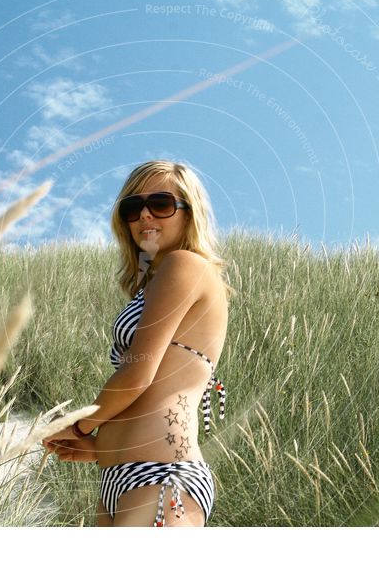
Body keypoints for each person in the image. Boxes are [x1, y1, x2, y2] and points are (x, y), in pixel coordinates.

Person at [42, 160, 235, 527]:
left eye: (161, 203)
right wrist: (100, 448)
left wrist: (78, 424)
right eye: (133, 207)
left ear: (188, 212)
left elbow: (138, 375)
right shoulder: (155, 282)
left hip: (162, 474)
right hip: (119, 478)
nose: (144, 215)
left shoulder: (184, 265)